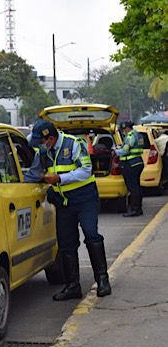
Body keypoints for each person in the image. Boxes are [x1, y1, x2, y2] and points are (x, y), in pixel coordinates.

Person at [24, 120, 111, 299]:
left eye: (42, 142)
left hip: (85, 199)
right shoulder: (43, 152)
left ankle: (102, 280)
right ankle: (73, 286)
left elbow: (86, 170)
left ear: (51, 138)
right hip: (64, 203)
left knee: (91, 234)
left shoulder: (73, 144)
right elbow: (33, 174)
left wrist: (59, 178)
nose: (40, 146)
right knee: (66, 243)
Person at [115, 120, 144, 217]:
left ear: (127, 128)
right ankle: (138, 209)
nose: (123, 131)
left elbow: (125, 151)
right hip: (137, 162)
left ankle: (135, 210)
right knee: (137, 187)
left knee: (133, 188)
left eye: (123, 129)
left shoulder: (130, 136)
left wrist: (115, 151)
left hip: (131, 164)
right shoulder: (138, 134)